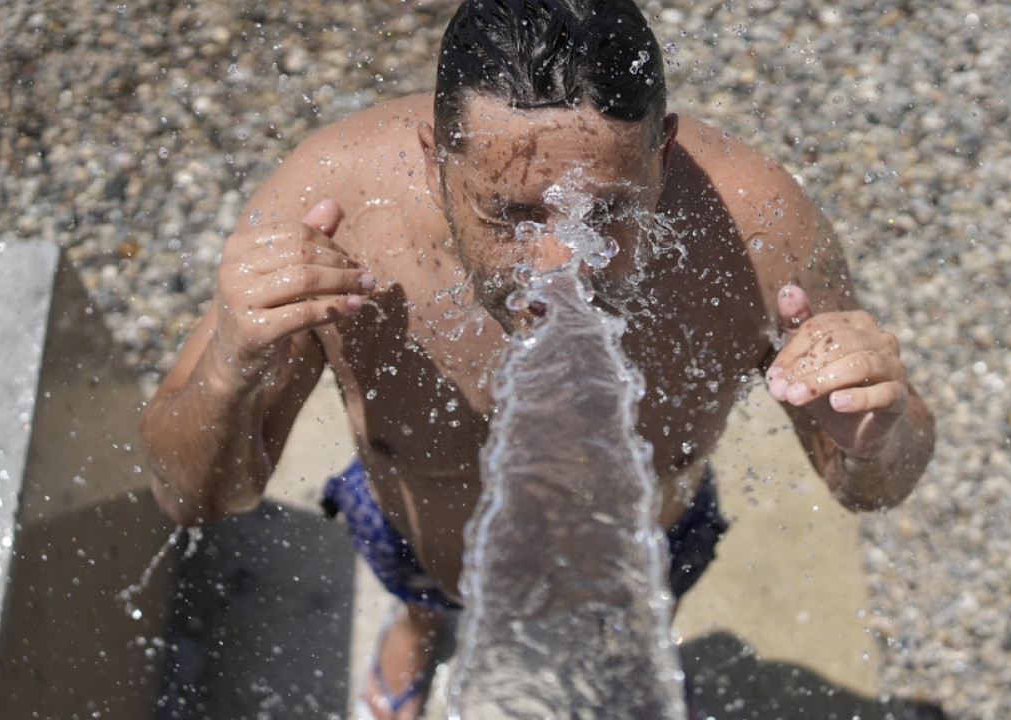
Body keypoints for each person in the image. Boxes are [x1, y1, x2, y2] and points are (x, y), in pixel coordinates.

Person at [141, 0, 936, 717]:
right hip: (421, 549)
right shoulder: (336, 213)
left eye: (609, 211)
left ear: (660, 155)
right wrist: (228, 370)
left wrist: (876, 437)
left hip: (641, 559)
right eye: (513, 213)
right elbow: (195, 499)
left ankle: (623, 647)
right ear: (434, 157)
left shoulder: (764, 238)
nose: (563, 263)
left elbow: (869, 487)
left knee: (642, 614)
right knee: (422, 594)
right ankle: (418, 629)